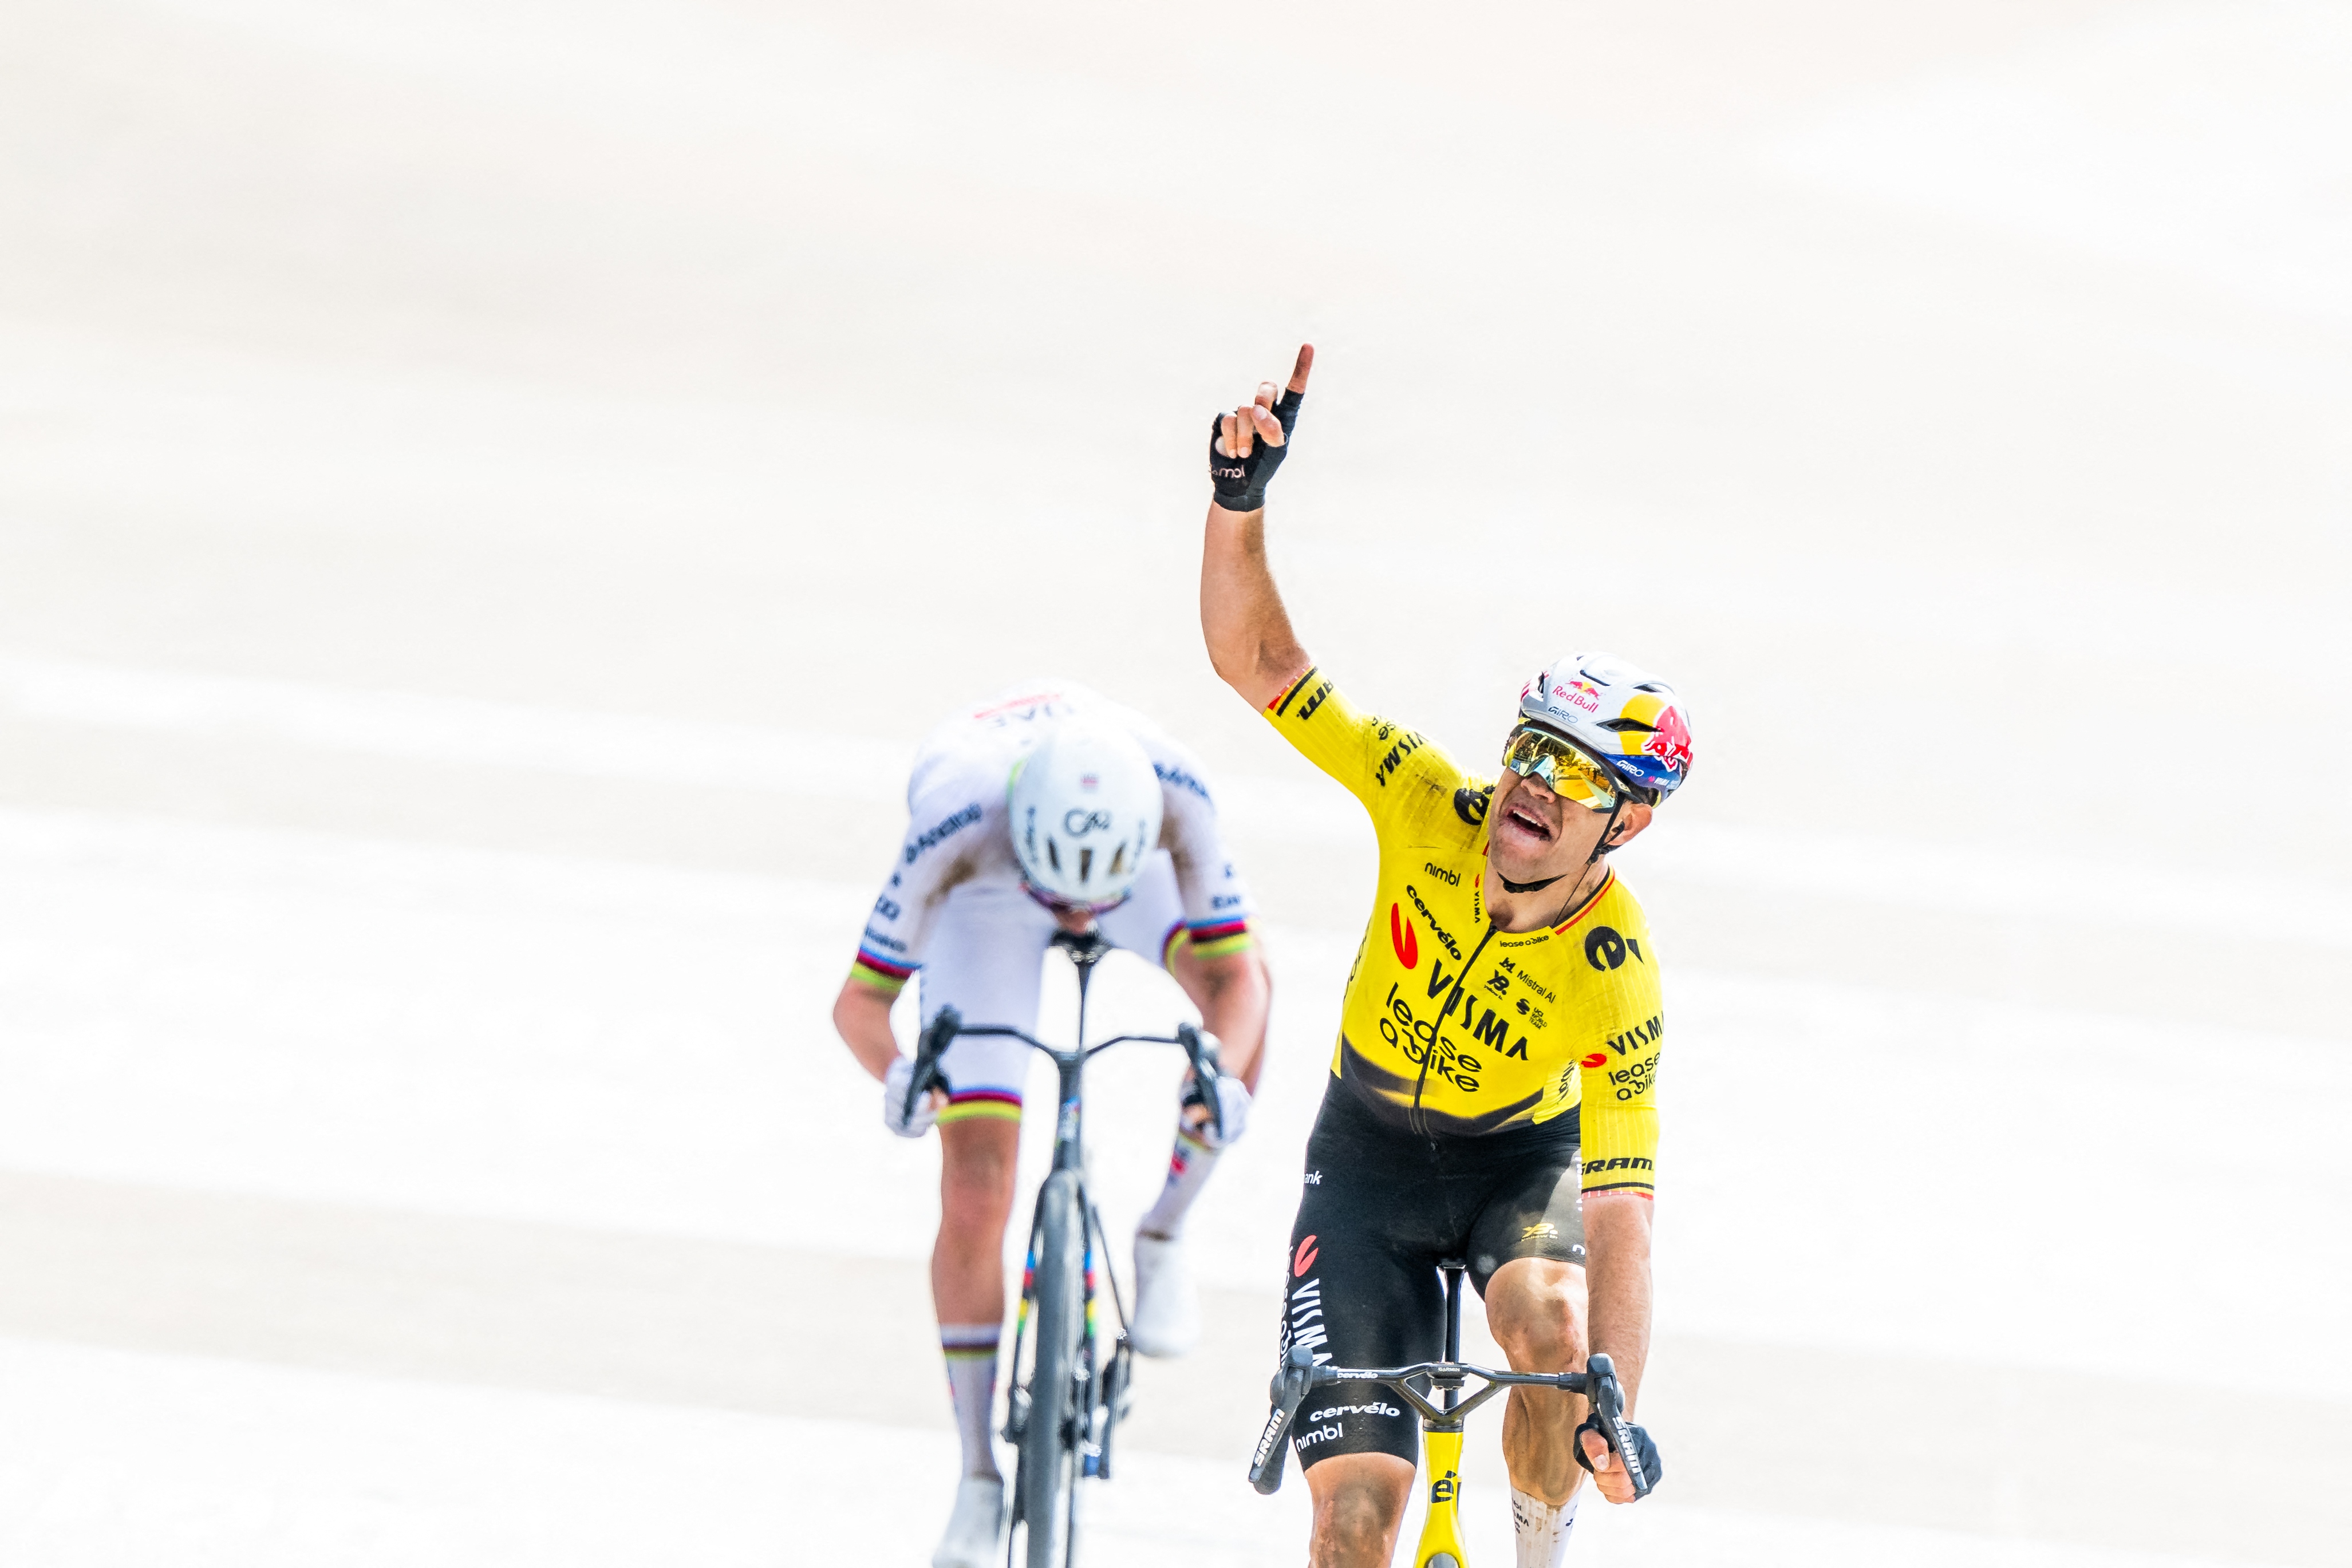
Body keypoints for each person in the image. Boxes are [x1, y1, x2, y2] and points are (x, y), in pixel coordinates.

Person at [1198, 346, 1686, 1568]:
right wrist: (1238, 502)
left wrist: (1613, 1406)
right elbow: (1260, 664)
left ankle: (1538, 1547)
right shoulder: (1423, 800)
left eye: (1575, 773)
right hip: (1365, 1163)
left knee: (1555, 1328)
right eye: (1531, 745)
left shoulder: (1615, 969)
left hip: (1514, 1168)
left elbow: (1620, 1205)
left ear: (1625, 824)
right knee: (1354, 1525)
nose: (1534, 782)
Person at [831, 681, 1272, 1568]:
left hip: (1121, 873)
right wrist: (901, 1075)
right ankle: (977, 1473)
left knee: (1248, 1004)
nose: (1078, 922)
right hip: (988, 894)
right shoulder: (958, 819)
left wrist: (1219, 1075)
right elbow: (860, 1004)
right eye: (1062, 898)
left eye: (1090, 905)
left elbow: (1238, 980)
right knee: (976, 1186)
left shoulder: (1177, 795)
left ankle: (1163, 1232)